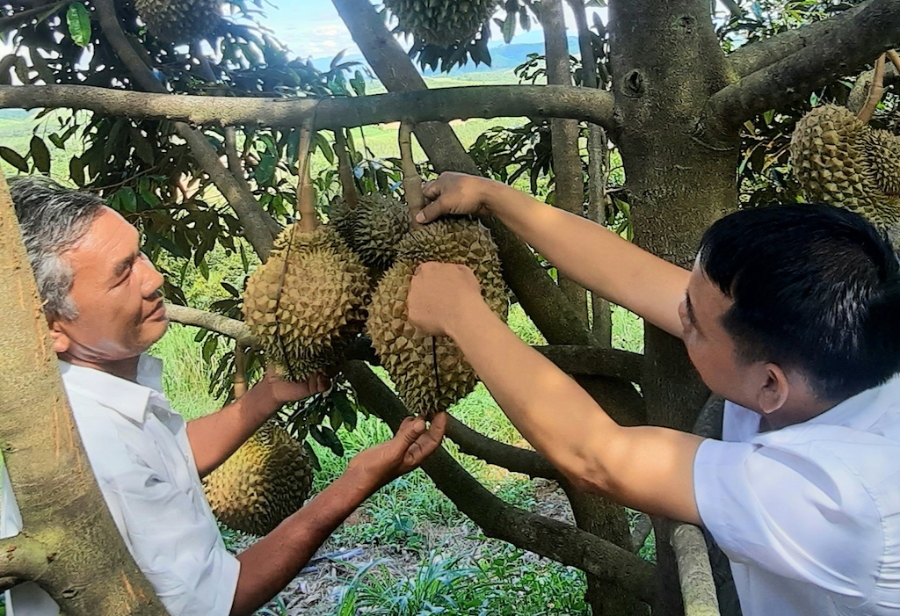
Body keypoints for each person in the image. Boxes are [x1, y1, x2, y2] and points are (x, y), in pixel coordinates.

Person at [406, 172, 900, 616]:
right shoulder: (834, 349)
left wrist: (460, 314)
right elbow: (637, 278)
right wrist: (491, 196)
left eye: (696, 326)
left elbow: (598, 457)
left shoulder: (843, 499)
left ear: (771, 384)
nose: (680, 316)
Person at [1, 176, 447, 616]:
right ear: (52, 325)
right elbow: (219, 602)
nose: (154, 277)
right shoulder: (97, 453)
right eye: (122, 275)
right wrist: (357, 482)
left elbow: (163, 460)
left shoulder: (77, 402)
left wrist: (266, 395)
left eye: (138, 253)